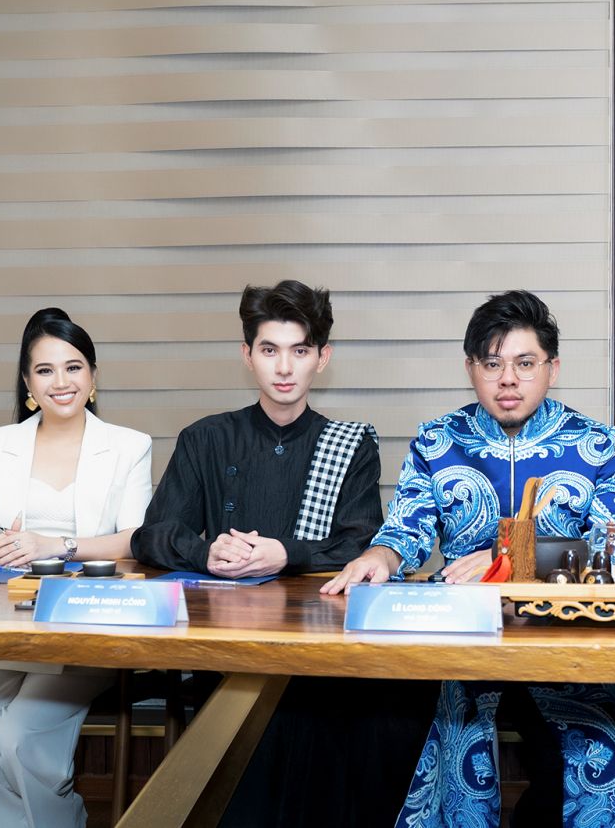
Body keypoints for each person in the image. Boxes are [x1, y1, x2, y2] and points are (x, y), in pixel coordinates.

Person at [325, 289, 615, 828]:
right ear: (471, 368)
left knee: (590, 755)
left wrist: (511, 560)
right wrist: (381, 554)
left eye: (525, 363)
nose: (508, 380)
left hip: (562, 639)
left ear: (552, 368)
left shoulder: (597, 443)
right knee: (446, 747)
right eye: (492, 364)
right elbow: (406, 527)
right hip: (462, 641)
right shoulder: (437, 440)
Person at [131, 280, 433, 826]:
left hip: (321, 648)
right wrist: (207, 553)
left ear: (323, 358)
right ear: (247, 355)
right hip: (229, 646)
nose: (285, 367)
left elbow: (360, 543)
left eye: (300, 351)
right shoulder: (205, 438)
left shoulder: (350, 444)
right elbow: (151, 536)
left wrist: (284, 553)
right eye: (270, 350)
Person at [0, 308, 153, 828]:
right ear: (28, 383)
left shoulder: (129, 445)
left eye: (74, 367)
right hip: (5, 624)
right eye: (45, 370)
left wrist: (58, 545)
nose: (61, 381)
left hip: (85, 623)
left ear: (93, 377)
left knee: (19, 739)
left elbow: (136, 541)